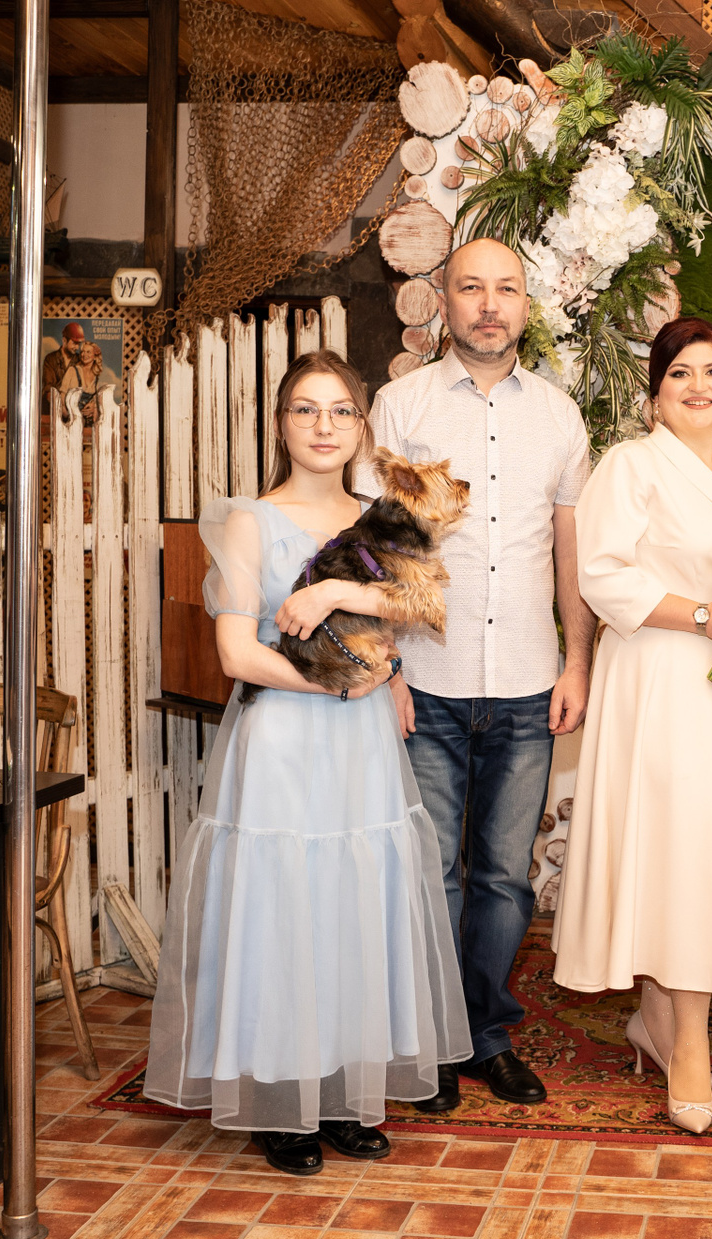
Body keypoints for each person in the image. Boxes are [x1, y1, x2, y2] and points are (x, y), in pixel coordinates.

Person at [148, 349, 471, 1177]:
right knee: (283, 910)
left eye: (340, 411)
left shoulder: (379, 517)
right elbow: (236, 654)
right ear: (281, 424)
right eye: (305, 409)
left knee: (351, 907)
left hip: (361, 746)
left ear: (362, 426)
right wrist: (341, 683)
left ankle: (340, 1092)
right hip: (287, 739)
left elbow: (420, 602)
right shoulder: (251, 520)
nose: (323, 427)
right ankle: (280, 1099)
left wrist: (335, 595)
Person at [357, 236, 595, 1111]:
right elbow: (375, 547)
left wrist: (578, 660)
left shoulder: (559, 416)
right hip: (427, 678)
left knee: (503, 877)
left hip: (529, 682)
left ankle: (485, 1034)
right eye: (471, 288)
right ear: (443, 301)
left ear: (527, 305)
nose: (489, 305)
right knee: (430, 876)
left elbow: (569, 551)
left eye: (506, 289)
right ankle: (428, 1041)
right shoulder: (400, 405)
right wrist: (386, 667)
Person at [551, 317, 712, 1136]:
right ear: (655, 394)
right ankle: (688, 1043)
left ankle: (654, 1023)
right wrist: (700, 615)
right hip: (659, 682)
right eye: (680, 373)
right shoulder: (631, 466)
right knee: (678, 856)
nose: (698, 386)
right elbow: (601, 574)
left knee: (696, 856)